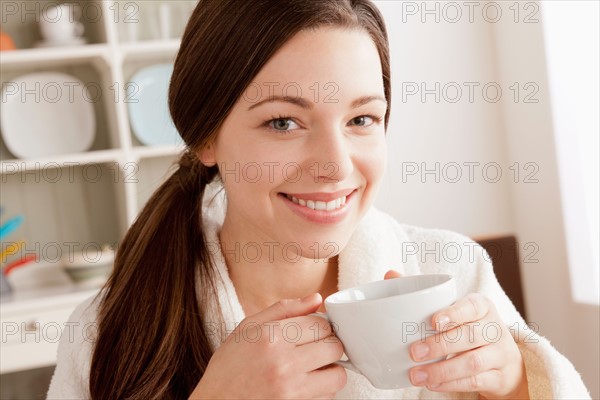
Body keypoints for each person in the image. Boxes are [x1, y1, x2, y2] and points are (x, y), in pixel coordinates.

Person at [47, 0, 591, 399]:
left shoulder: (451, 272)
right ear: (206, 136)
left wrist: (520, 382)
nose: (335, 166)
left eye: (361, 119)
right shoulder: (108, 334)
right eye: (283, 122)